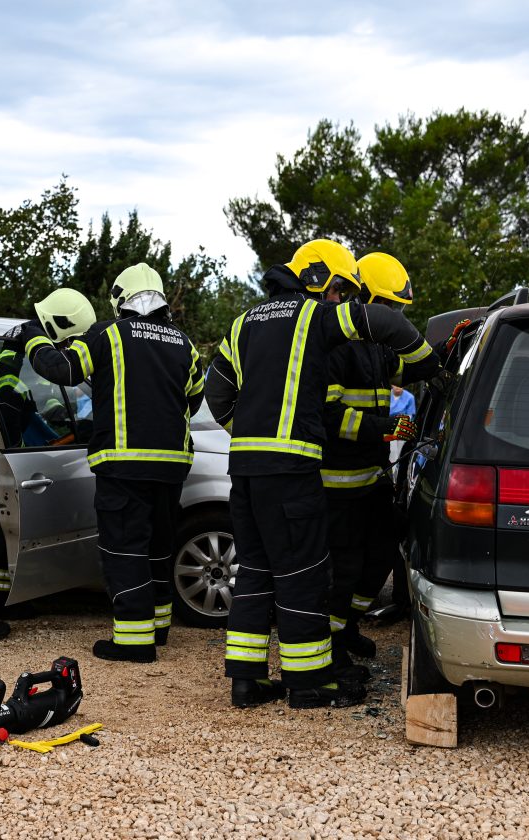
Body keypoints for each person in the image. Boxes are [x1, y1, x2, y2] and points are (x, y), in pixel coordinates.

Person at [204, 239, 447, 710]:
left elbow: (218, 395)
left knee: (254, 572)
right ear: (323, 282)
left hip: (247, 470)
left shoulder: (244, 321)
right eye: (342, 290)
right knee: (303, 576)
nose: (343, 299)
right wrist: (432, 364)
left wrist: (253, 433)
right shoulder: (315, 316)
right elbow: (386, 322)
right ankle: (308, 685)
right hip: (292, 471)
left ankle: (247, 682)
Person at [20, 267, 204, 663]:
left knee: (124, 549)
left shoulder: (107, 334)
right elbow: (194, 400)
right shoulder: (184, 344)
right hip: (172, 465)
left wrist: (32, 336)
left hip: (123, 464)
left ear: (122, 299)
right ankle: (158, 628)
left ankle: (134, 641)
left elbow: (63, 370)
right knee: (158, 548)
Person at [0, 288, 96, 639]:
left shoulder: (16, 357)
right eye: (69, 339)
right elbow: (10, 412)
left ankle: (1, 599)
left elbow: (27, 407)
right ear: (57, 328)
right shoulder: (11, 361)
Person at [321, 252, 420, 672]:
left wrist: (444, 352)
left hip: (372, 480)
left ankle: (348, 625)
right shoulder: (333, 345)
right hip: (337, 484)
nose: (395, 316)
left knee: (380, 556)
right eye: (391, 308)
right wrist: (390, 428)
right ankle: (331, 642)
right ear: (368, 301)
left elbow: (411, 367)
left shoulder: (378, 349)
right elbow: (331, 419)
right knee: (344, 569)